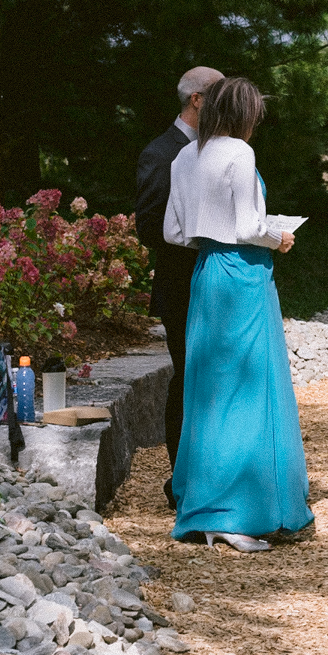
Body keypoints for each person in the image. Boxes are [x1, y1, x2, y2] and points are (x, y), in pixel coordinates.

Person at [163, 77, 311, 551]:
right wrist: (279, 237)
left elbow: (172, 231)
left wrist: (211, 234)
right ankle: (238, 512)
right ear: (244, 115)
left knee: (209, 391)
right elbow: (249, 225)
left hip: (206, 274)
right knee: (249, 389)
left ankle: (205, 506)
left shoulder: (186, 156)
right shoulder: (239, 154)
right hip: (243, 277)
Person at [134, 65, 223, 506]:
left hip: (217, 284)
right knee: (187, 378)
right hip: (182, 286)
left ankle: (209, 471)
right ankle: (181, 481)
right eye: (219, 95)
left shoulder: (217, 151)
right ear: (197, 100)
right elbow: (149, 225)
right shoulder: (162, 152)